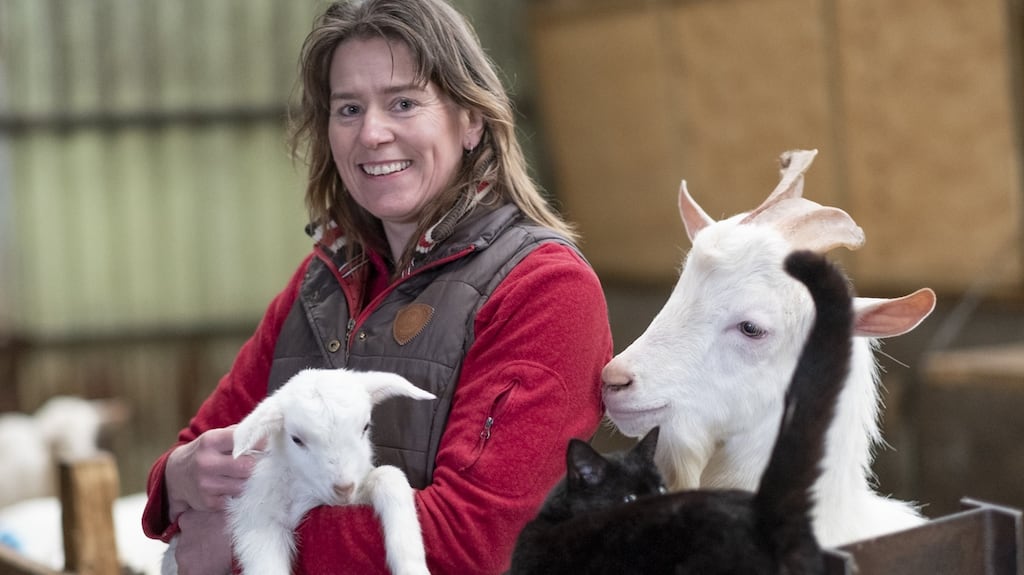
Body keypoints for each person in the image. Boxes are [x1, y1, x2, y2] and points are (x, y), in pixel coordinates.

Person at [141, 0, 613, 573]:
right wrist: (177, 476)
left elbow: (480, 543)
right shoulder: (323, 284)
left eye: (404, 102)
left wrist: (238, 549)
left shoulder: (544, 289)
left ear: (470, 121)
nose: (372, 133)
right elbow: (200, 448)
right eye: (348, 108)